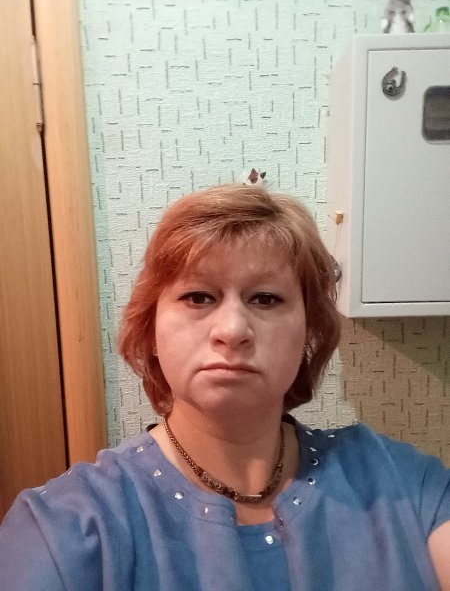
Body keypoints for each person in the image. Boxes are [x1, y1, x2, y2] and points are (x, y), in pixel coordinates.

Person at [1, 184, 449, 590]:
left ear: (308, 332)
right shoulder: (64, 528)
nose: (232, 330)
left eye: (266, 298)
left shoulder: (406, 485)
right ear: (150, 330)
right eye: (198, 296)